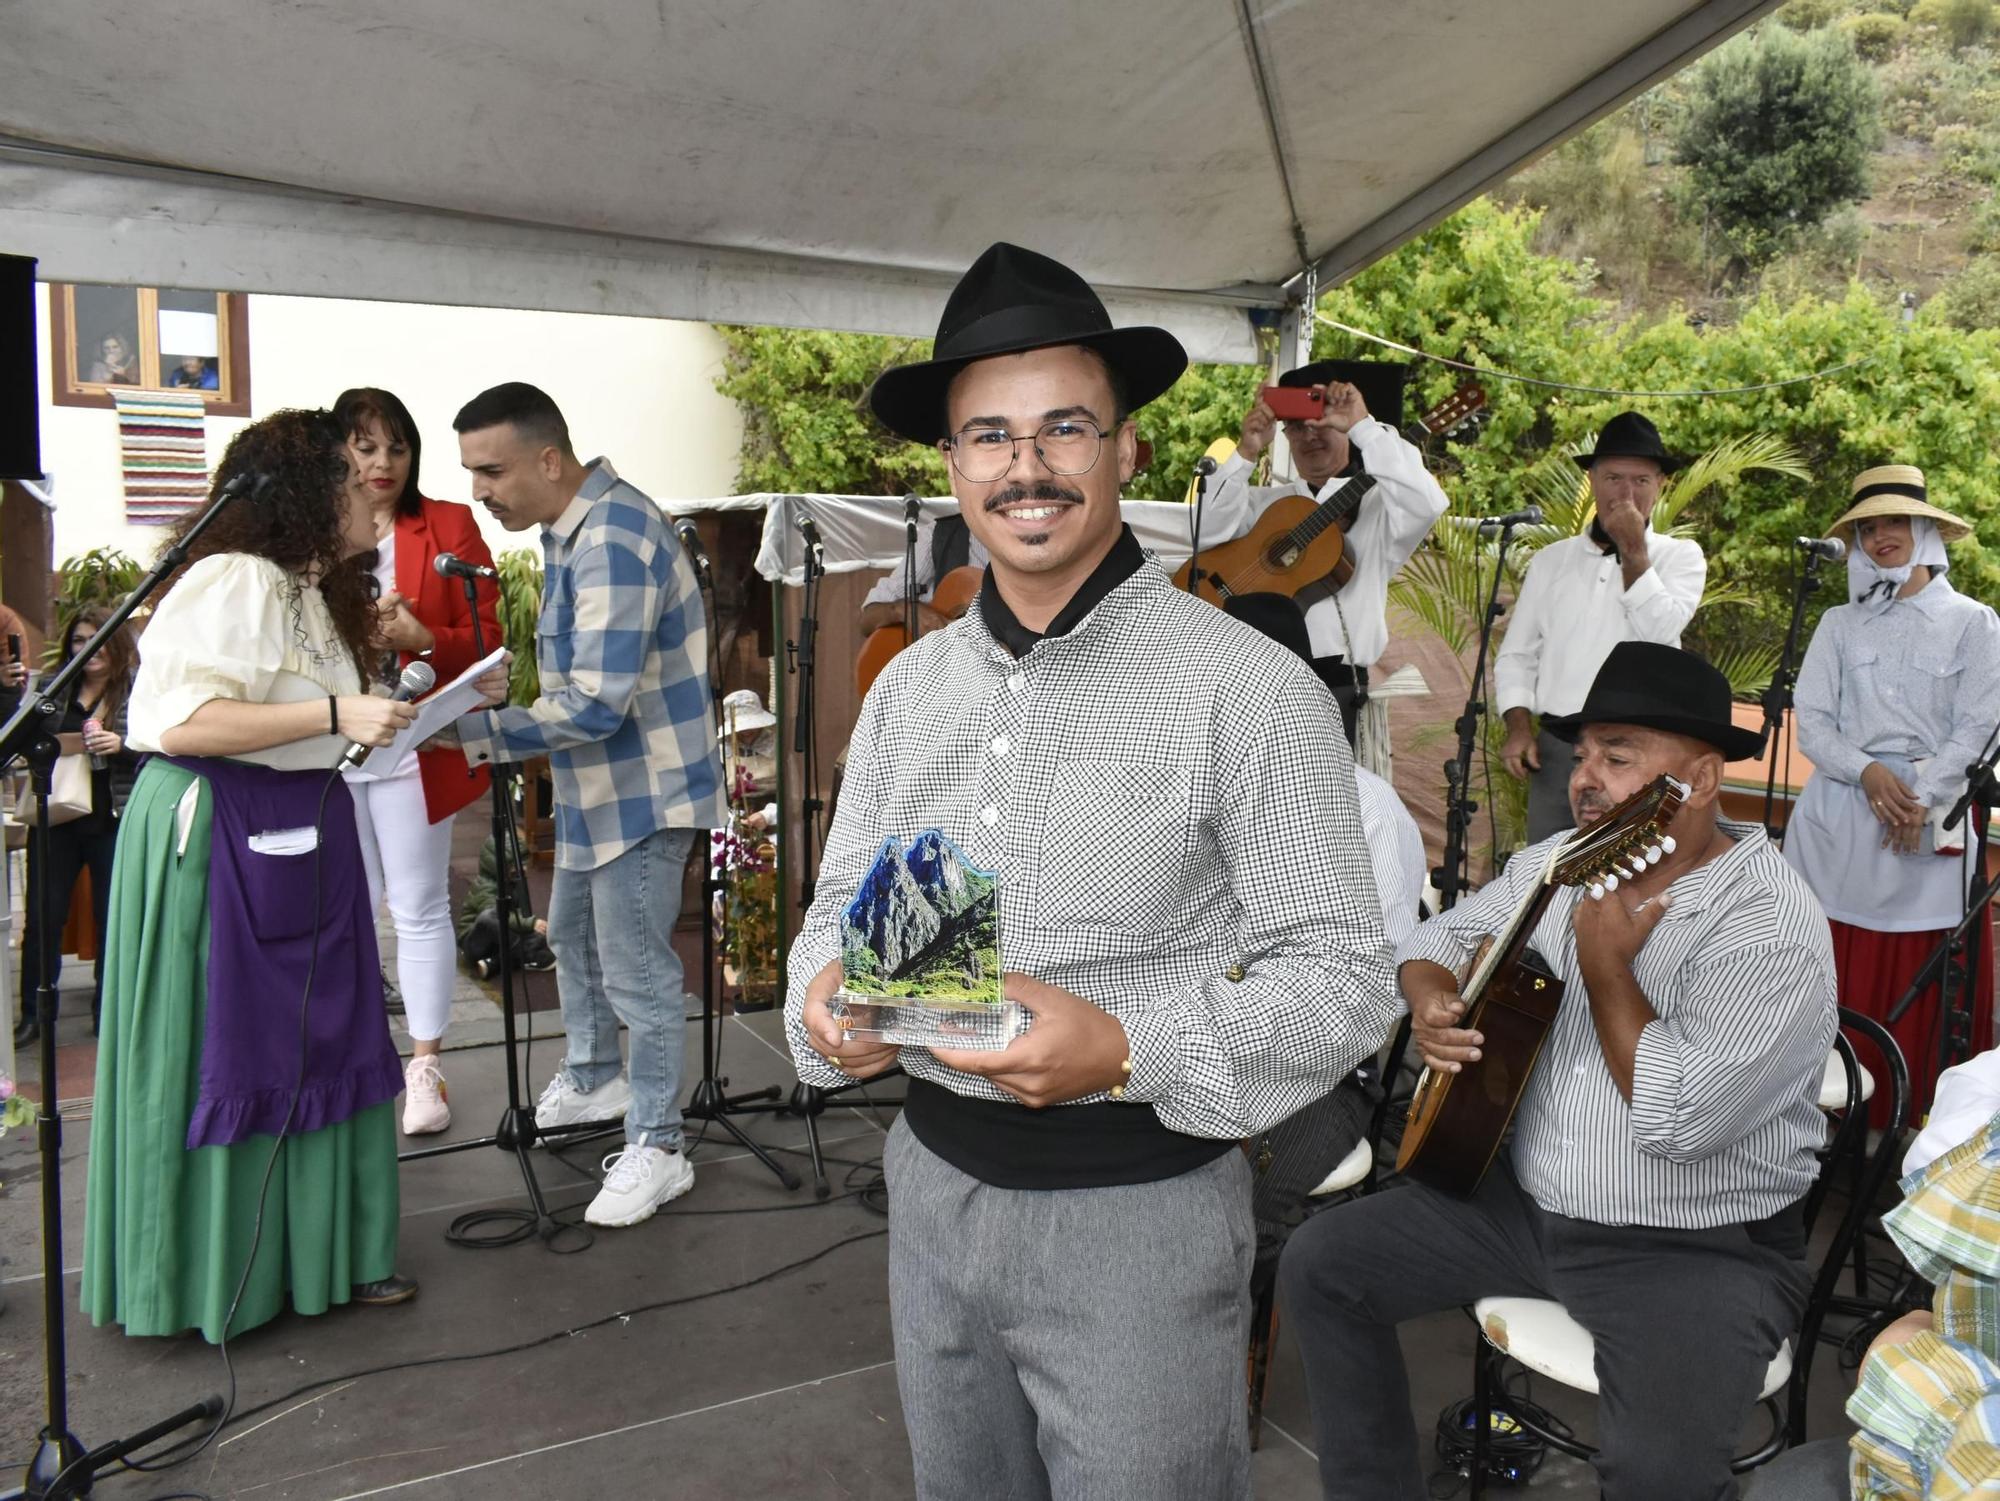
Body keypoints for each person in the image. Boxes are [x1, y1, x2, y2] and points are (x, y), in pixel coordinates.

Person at [786, 242, 1398, 1500]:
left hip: (1138, 1217)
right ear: (953, 466)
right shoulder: (909, 689)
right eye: (989, 436)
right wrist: (825, 1001)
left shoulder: (1245, 687)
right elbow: (839, 916)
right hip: (932, 1192)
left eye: (1063, 427)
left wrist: (1125, 1047)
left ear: (1124, 450)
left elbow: (1343, 980)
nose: (1025, 465)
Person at [1281, 641, 1838, 1501]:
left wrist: (1609, 966)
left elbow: (1677, 1119)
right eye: (1584, 756)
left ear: (1695, 777)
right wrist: (1434, 1000)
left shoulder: (1769, 924)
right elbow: (1433, 939)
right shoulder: (1564, 862)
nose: (1587, 778)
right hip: (1524, 1210)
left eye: (1619, 756)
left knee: (1656, 1477)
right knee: (1323, 1263)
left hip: (1690, 1247)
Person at [80, 408, 492, 1340]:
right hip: (221, 832)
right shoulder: (235, 577)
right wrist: (338, 712)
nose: (372, 491)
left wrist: (384, 708)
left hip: (300, 826)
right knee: (239, 1045)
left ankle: (327, 1259)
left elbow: (311, 713)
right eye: (353, 478)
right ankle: (221, 1276)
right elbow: (181, 723)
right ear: (306, 495)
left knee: (328, 1037)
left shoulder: (318, 590)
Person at [452, 382, 725, 1228]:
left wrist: (471, 731)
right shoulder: (571, 532)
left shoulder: (611, 537)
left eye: (490, 471)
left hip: (641, 798)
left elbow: (597, 706)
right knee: (567, 935)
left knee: (640, 974)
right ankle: (598, 1074)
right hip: (599, 792)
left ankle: (659, 1143)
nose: (479, 492)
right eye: (471, 472)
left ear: (548, 459)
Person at [1783, 464, 2000, 1129]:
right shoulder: (1837, 624)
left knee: (1923, 965)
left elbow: (1982, 721)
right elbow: (1812, 717)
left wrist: (1919, 798)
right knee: (1819, 957)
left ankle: (1898, 1136)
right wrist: (1868, 774)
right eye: (1867, 526)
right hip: (1839, 823)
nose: (1880, 536)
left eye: (1893, 522)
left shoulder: (1974, 622)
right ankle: (1804, 1119)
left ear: (1926, 528)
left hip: (1928, 823)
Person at [336, 386, 502, 1136]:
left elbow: (489, 635)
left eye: (396, 446)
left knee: (420, 906)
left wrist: (421, 632)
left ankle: (425, 1066)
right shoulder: (312, 529)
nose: (382, 462)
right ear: (339, 449)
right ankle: (353, 1057)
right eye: (366, 446)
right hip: (329, 749)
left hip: (411, 742)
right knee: (346, 906)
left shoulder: (450, 524)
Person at [1201, 359, 1450, 746]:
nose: (1310, 435)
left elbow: (1428, 502)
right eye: (1297, 426)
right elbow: (1206, 532)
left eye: (1321, 422)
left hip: (1339, 689)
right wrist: (1246, 451)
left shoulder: (1382, 506)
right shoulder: (1267, 503)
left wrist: (1363, 425)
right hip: (1252, 686)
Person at [1496, 412, 1707, 843]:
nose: (1626, 493)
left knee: (1625, 872)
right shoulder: (1551, 560)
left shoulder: (1681, 557)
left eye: (1641, 481)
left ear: (1660, 485)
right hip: (1560, 747)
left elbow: (1660, 634)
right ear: (1592, 479)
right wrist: (1518, 726)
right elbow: (1517, 655)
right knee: (1548, 871)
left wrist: (1633, 549)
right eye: (1613, 478)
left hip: (1639, 751)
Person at [13, 606, 141, 1046]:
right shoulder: (53, 689)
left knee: (114, 919)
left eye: (99, 637)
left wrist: (121, 745)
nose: (89, 649)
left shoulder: (138, 689)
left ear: (118, 641)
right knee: (43, 917)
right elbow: (18, 740)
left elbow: (162, 748)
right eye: (79, 640)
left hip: (112, 817)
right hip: (57, 817)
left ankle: (106, 1013)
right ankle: (35, 1014)